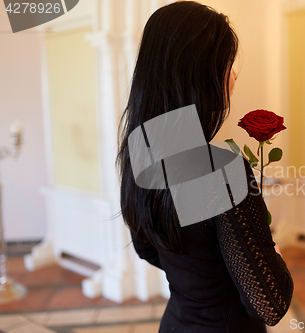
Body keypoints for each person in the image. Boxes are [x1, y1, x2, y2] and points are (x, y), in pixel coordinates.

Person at [116, 1, 294, 332]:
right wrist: (273, 253)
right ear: (198, 72)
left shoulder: (144, 151)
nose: (234, 74)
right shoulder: (220, 171)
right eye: (226, 62)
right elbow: (270, 303)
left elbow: (147, 248)